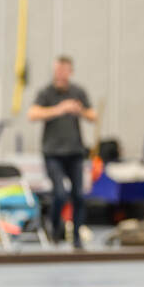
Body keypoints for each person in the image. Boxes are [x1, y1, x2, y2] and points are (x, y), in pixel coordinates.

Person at [28, 56, 96, 249]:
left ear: (70, 72)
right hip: (53, 153)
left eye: (63, 70)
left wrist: (80, 111)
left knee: (78, 195)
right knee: (59, 193)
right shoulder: (46, 93)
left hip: (75, 152)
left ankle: (76, 237)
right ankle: (55, 228)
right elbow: (32, 114)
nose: (60, 74)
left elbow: (93, 115)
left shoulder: (78, 92)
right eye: (57, 70)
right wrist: (59, 109)